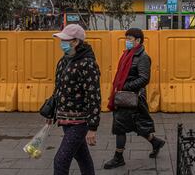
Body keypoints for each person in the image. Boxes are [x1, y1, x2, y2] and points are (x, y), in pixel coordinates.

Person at [104, 28, 165, 169]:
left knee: (120, 126)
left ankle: (118, 158)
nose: (127, 42)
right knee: (136, 124)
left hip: (131, 96)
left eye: (129, 39)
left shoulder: (143, 57)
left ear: (138, 41)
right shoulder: (128, 54)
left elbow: (144, 78)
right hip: (124, 95)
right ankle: (156, 142)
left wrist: (125, 86)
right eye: (126, 39)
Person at [51, 24, 101, 175]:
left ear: (75, 42)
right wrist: (52, 112)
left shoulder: (88, 64)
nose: (62, 43)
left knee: (60, 161)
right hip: (65, 119)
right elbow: (58, 89)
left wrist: (92, 127)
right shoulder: (63, 61)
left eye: (65, 40)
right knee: (83, 158)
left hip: (80, 121)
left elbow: (94, 96)